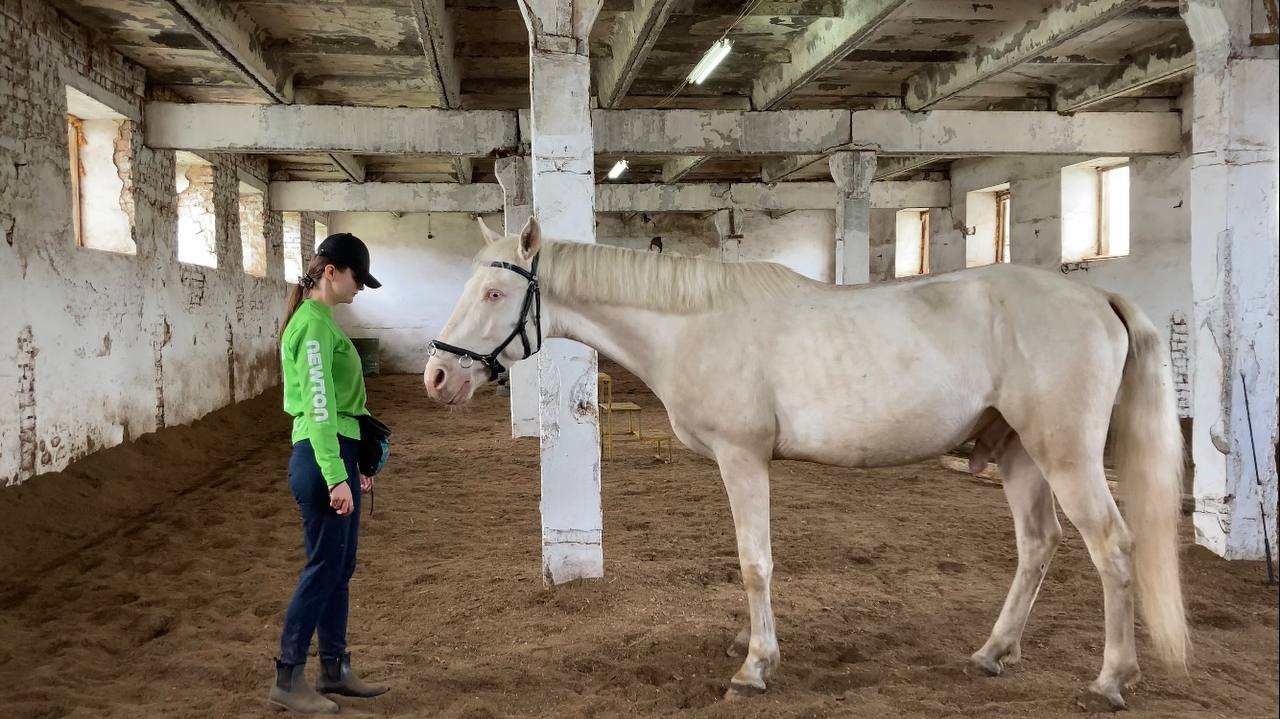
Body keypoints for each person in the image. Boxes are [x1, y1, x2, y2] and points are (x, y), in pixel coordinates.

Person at [270, 233, 388, 714]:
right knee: (322, 567)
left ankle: (334, 668)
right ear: (332, 272)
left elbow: (338, 409)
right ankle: (288, 676)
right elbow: (318, 408)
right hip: (322, 459)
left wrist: (354, 464)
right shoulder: (314, 326)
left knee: (339, 568)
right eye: (358, 278)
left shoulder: (322, 322)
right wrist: (335, 474)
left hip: (336, 454)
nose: (360, 287)